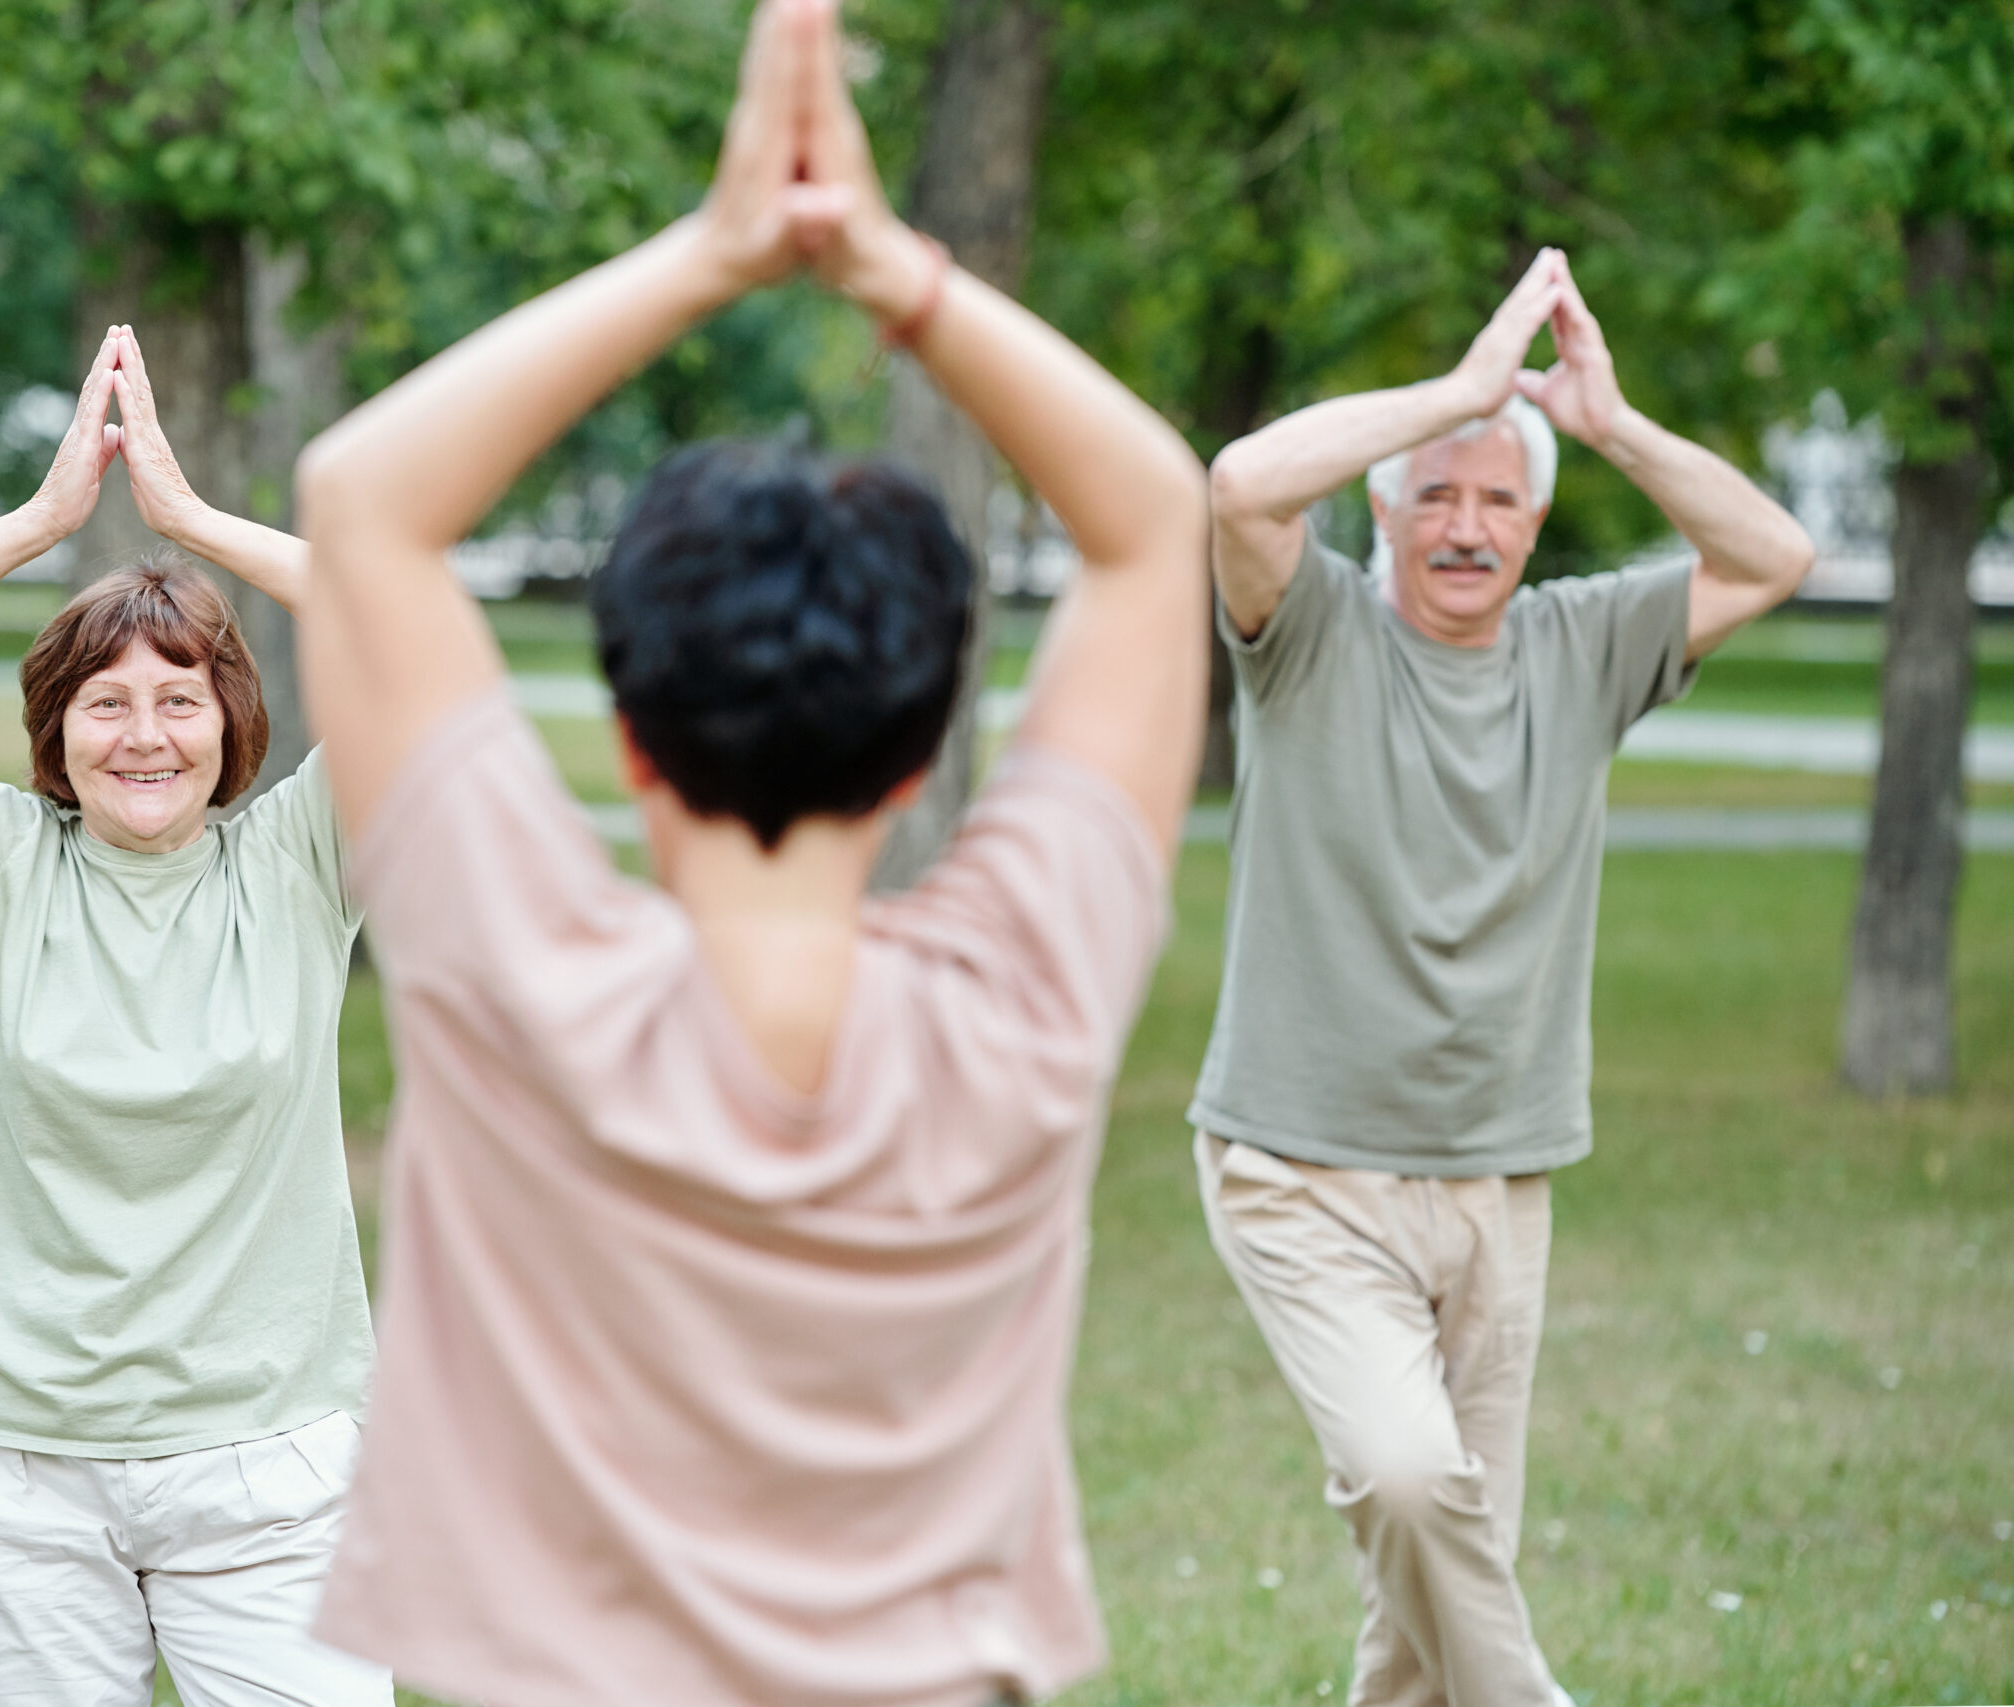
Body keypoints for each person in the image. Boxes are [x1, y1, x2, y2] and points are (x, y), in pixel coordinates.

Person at [287, 4, 1210, 1704]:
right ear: (929, 750)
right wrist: (888, 271)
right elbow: (1157, 526)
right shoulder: (1027, 1009)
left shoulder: (519, 982)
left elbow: (362, 500)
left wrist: (718, 253)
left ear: (632, 738)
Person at [1192, 247, 1817, 1707]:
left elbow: (1776, 557)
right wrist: (1462, 394)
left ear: (1535, 520)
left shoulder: (1583, 646)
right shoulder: (1313, 634)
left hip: (1497, 1183)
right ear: (1385, 511)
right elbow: (1235, 483)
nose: (1467, 527)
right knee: (1416, 1491)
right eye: (1437, 495)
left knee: (1428, 1614)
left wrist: (1609, 424)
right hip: (1302, 1172)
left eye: (1498, 498)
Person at [0, 326, 391, 1707]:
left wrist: (188, 521)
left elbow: (417, 632)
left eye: (181, 698)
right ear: (56, 734)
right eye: (107, 703)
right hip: (16, 1478)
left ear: (232, 723)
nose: (147, 734)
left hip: (273, 1463)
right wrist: (46, 522)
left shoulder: (301, 865)